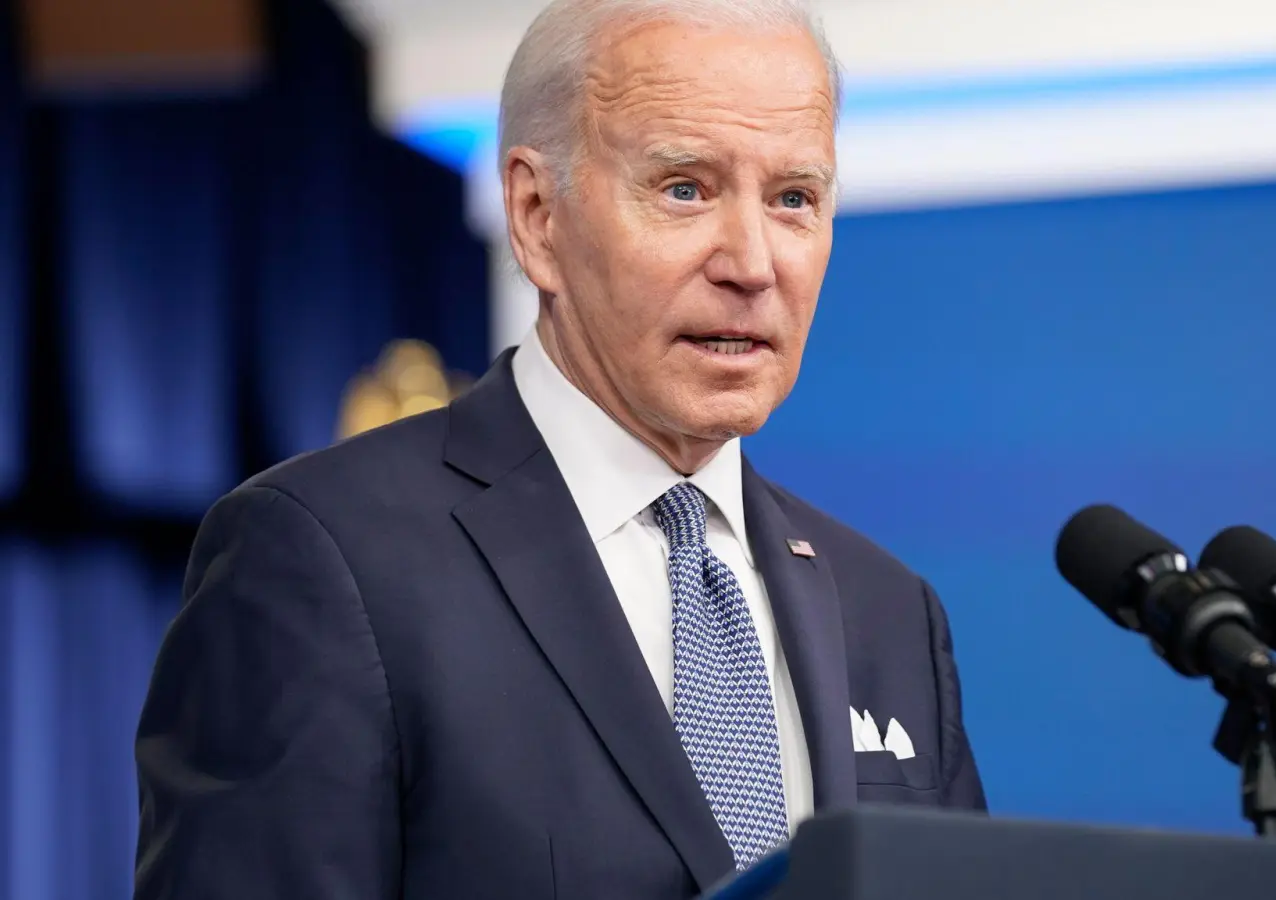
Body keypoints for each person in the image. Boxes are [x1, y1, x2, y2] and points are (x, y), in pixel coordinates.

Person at [132, 1, 986, 897]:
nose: (752, 261)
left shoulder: (888, 612)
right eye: (685, 188)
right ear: (538, 217)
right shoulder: (322, 560)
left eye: (793, 200)